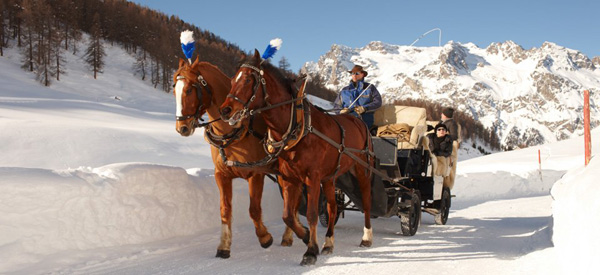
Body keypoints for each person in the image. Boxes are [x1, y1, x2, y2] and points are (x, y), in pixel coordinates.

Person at [333, 65, 382, 130]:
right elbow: (336, 106)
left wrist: (365, 108)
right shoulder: (344, 90)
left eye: (357, 73)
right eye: (352, 73)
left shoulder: (370, 88)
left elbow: (378, 102)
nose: (354, 75)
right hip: (346, 122)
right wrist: (341, 111)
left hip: (365, 122)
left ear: (362, 74)